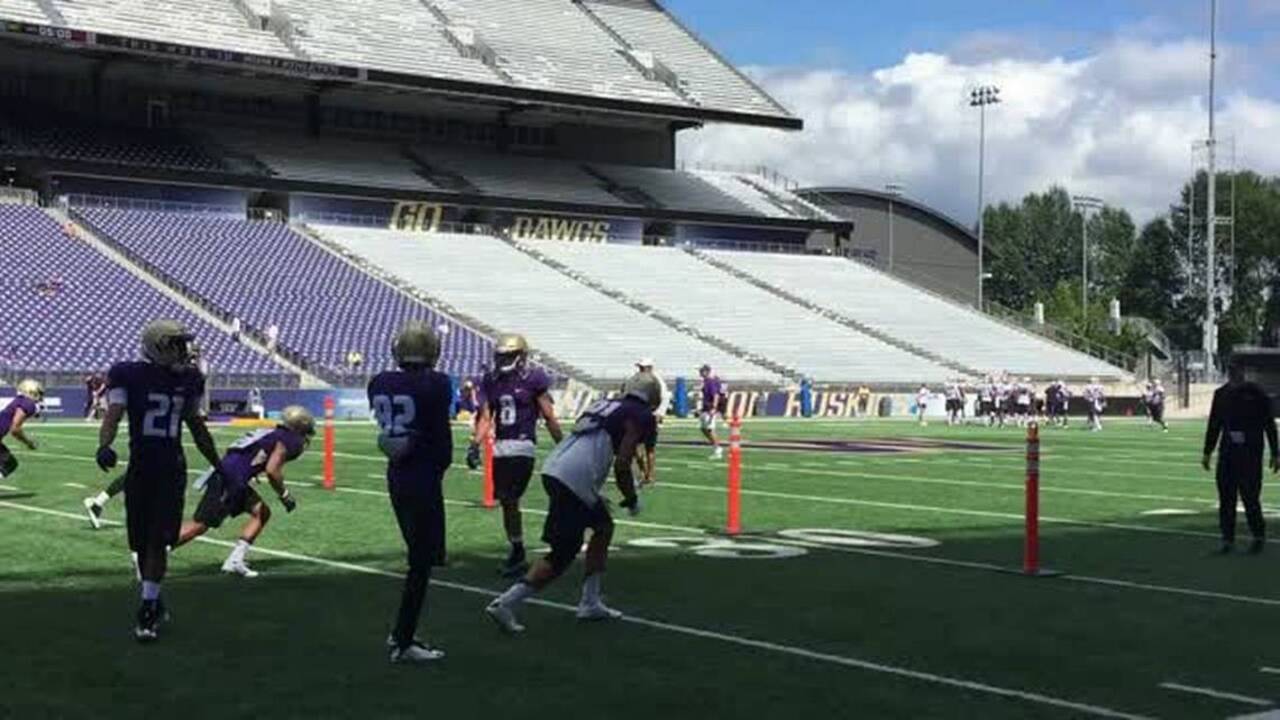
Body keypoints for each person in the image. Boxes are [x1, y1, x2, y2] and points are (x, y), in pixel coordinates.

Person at [485, 372, 657, 634]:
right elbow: (623, 463)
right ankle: (506, 602)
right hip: (573, 478)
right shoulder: (641, 414)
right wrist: (631, 498)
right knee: (564, 552)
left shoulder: (604, 404)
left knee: (602, 526)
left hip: (557, 466)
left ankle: (590, 600)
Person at [95, 320, 223, 642]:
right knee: (140, 543)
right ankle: (153, 594)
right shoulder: (130, 374)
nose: (183, 350)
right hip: (143, 467)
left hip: (168, 468)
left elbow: (197, 427)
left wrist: (218, 464)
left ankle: (148, 607)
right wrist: (105, 444)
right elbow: (114, 413)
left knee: (156, 541)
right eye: (177, 344)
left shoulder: (188, 379)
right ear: (158, 346)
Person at [368, 321, 453, 664]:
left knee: (427, 556)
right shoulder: (437, 383)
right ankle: (402, 641)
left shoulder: (379, 382)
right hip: (423, 475)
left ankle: (404, 634)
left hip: (398, 473)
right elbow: (436, 429)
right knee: (421, 561)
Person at [174, 406, 314, 576]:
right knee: (200, 525)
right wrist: (284, 495)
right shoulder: (290, 440)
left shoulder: (271, 431)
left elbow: (241, 452)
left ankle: (235, 560)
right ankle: (152, 553)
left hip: (229, 472)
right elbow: (272, 470)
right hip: (231, 478)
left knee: (261, 512)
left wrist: (250, 471)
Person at [475, 334, 563, 578]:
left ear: (521, 356)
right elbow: (485, 417)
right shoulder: (491, 380)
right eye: (501, 355)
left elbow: (548, 415)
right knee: (507, 502)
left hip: (522, 445)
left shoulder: (533, 378)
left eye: (509, 355)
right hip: (501, 446)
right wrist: (475, 443)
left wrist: (563, 444)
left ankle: (520, 551)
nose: (504, 360)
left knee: (510, 497)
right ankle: (517, 549)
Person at [1203, 359, 1279, 554]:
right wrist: (1207, 451)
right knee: (1226, 499)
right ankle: (1227, 539)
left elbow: (1269, 424)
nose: (1236, 374)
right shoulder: (1220, 395)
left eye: (1239, 370)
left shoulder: (1257, 394)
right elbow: (1214, 424)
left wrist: (1275, 453)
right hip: (1227, 454)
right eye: (1233, 370)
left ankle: (1258, 536)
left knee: (1250, 498)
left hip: (1251, 454)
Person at [0, 379, 43, 481]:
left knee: (8, 462)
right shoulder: (28, 403)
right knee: (9, 463)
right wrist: (28, 442)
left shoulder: (18, 400)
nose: (40, 397)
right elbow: (15, 429)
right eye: (38, 393)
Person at [635, 358, 668, 486]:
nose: (641, 369)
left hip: (651, 416)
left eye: (643, 367)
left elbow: (664, 398)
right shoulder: (637, 379)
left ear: (650, 368)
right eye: (640, 367)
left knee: (649, 449)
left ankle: (650, 475)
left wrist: (659, 414)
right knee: (636, 449)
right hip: (638, 416)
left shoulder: (657, 381)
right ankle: (644, 473)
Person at [698, 365, 726, 459]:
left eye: (701, 371)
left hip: (709, 408)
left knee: (710, 429)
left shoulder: (711, 382)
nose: (700, 372)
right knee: (703, 428)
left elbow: (716, 395)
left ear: (706, 371)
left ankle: (717, 449)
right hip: (705, 408)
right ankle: (716, 446)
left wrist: (714, 408)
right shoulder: (705, 382)